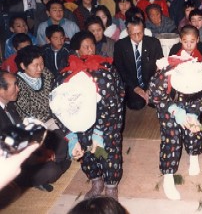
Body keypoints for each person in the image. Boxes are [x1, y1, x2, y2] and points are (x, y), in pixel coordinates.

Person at [51, 31, 125, 200]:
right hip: (80, 126)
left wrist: (101, 131)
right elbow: (58, 106)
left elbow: (116, 99)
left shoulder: (105, 70)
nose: (90, 49)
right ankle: (96, 181)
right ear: (77, 51)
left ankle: (111, 186)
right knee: (87, 154)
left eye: (92, 45)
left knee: (108, 153)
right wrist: (70, 134)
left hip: (106, 123)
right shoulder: (64, 75)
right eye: (85, 46)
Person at [148, 53, 202, 200]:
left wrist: (194, 114)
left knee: (194, 130)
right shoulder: (163, 76)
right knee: (171, 138)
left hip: (192, 102)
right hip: (169, 104)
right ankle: (168, 175)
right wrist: (175, 110)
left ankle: (193, 154)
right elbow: (155, 95)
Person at [14, 46, 71, 191]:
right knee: (61, 138)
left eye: (42, 63)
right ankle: (55, 167)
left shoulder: (45, 73)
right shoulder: (17, 84)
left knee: (66, 136)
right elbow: (32, 111)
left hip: (52, 117)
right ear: (23, 66)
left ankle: (56, 164)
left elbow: (56, 94)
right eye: (35, 65)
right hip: (35, 125)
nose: (40, 68)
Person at [114, 17, 163, 110]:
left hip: (150, 81)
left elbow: (160, 66)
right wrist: (135, 87)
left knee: (156, 102)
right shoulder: (120, 45)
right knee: (136, 105)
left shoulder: (154, 43)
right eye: (133, 34)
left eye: (140, 33)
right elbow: (120, 70)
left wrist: (151, 87)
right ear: (128, 32)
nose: (137, 37)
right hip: (132, 83)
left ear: (143, 30)